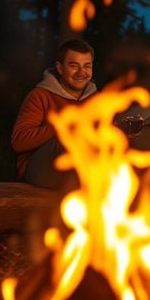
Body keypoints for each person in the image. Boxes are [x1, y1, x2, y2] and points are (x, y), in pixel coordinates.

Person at [11, 39, 96, 189]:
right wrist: (61, 126)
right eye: (74, 66)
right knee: (71, 137)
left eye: (87, 66)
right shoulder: (40, 96)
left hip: (82, 171)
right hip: (38, 169)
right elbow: (19, 141)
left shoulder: (98, 100)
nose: (81, 72)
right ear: (60, 68)